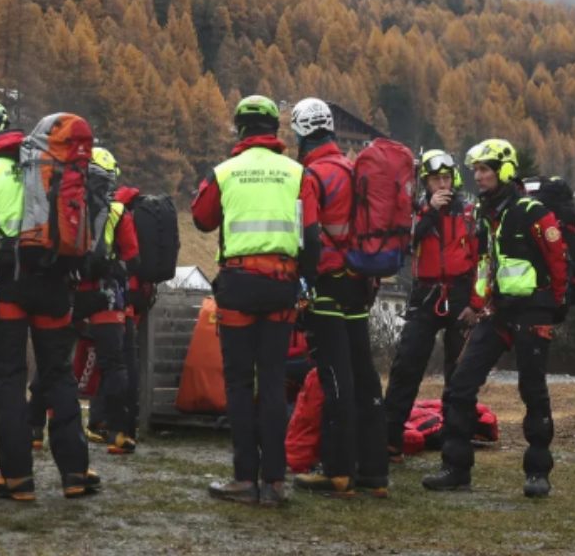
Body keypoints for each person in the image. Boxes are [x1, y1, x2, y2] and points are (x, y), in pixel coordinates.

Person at [0, 98, 95, 501]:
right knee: (58, 375)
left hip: (11, 284)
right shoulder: (47, 166)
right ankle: (75, 473)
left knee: (8, 378)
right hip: (57, 280)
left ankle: (17, 478)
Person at [192, 94, 320, 508]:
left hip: (238, 287)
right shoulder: (298, 173)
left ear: (240, 128)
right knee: (272, 379)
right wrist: (303, 282)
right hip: (282, 286)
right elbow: (312, 239)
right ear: (274, 130)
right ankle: (276, 482)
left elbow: (201, 218)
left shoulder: (224, 173)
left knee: (239, 383)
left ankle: (244, 479)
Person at [422, 137, 567, 498]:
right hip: (497, 313)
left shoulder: (532, 211)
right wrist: (476, 303)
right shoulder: (487, 216)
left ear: (504, 170)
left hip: (532, 312)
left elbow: (557, 260)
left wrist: (553, 305)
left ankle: (538, 472)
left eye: (484, 169)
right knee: (460, 384)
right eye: (475, 170)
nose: (478, 176)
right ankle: (455, 467)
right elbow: (485, 264)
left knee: (532, 391)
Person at [289, 97, 390, 499]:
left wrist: (304, 282)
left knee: (335, 379)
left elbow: (309, 236)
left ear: (299, 133)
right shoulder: (355, 170)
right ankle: (375, 474)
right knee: (365, 377)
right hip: (359, 286)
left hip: (327, 286)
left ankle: (337, 472)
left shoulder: (311, 175)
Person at [383, 149, 477, 460]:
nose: (442, 185)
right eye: (436, 180)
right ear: (426, 182)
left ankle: (454, 439)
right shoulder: (416, 211)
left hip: (460, 295)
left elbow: (482, 260)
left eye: (446, 178)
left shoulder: (468, 213)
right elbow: (405, 241)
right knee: (406, 366)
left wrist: (476, 304)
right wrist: (429, 213)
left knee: (459, 371)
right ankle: (390, 439)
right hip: (425, 295)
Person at [75, 146, 139, 455]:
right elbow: (133, 257)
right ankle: (118, 432)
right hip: (107, 298)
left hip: (71, 293)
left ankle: (36, 427)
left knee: (57, 360)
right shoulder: (118, 211)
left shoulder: (70, 204)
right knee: (114, 365)